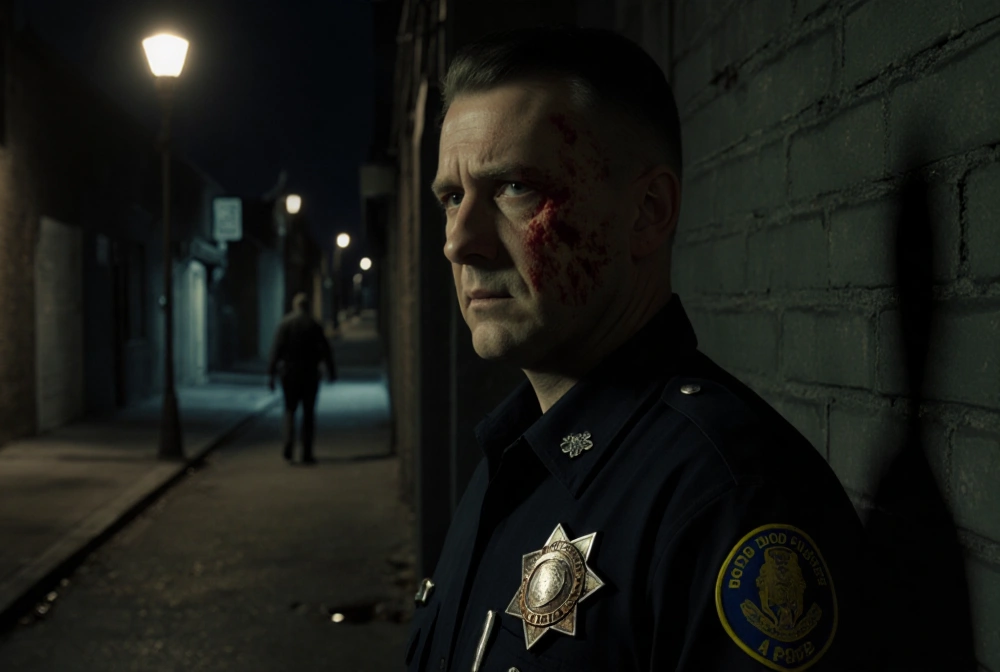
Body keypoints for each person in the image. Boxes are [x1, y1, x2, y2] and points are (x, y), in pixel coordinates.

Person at [406, 27, 872, 671]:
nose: (460, 240)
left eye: (516, 187)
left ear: (648, 211)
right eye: (452, 197)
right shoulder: (511, 460)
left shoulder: (730, 501)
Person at [268, 292, 336, 465]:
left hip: (289, 374)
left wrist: (271, 374)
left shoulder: (285, 324)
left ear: (295, 306)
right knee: (308, 413)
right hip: (310, 374)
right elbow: (326, 350)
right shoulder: (314, 324)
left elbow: (276, 350)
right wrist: (331, 371)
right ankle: (307, 452)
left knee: (289, 411)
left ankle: (288, 447)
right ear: (308, 306)